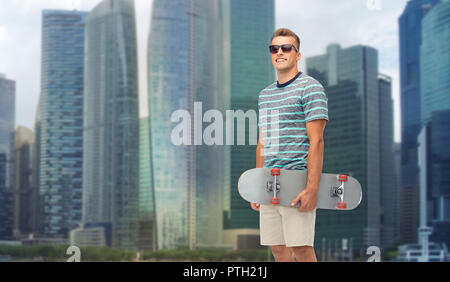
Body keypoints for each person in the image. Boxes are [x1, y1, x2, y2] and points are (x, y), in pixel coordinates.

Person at [251, 28, 328, 262]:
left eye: (286, 48)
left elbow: (317, 140)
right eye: (275, 48)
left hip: (296, 179)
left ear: (297, 54)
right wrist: (258, 183)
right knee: (278, 249)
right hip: (270, 182)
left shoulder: (310, 87)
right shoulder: (265, 95)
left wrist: (312, 188)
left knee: (301, 248)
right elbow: (264, 141)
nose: (280, 52)